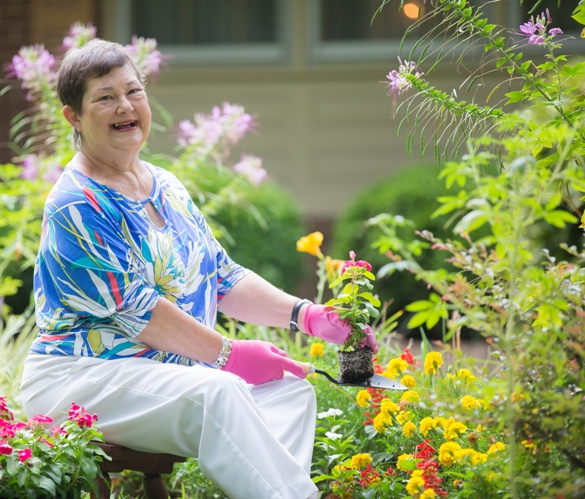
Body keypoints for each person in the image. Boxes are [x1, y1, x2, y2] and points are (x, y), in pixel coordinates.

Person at [20, 39, 377, 499]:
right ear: (74, 117)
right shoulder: (75, 203)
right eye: (105, 97)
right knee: (219, 392)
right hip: (77, 377)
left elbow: (221, 275)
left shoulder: (164, 186)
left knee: (286, 390)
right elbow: (135, 309)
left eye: (134, 91)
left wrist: (307, 315)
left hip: (158, 377)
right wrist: (228, 354)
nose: (125, 106)